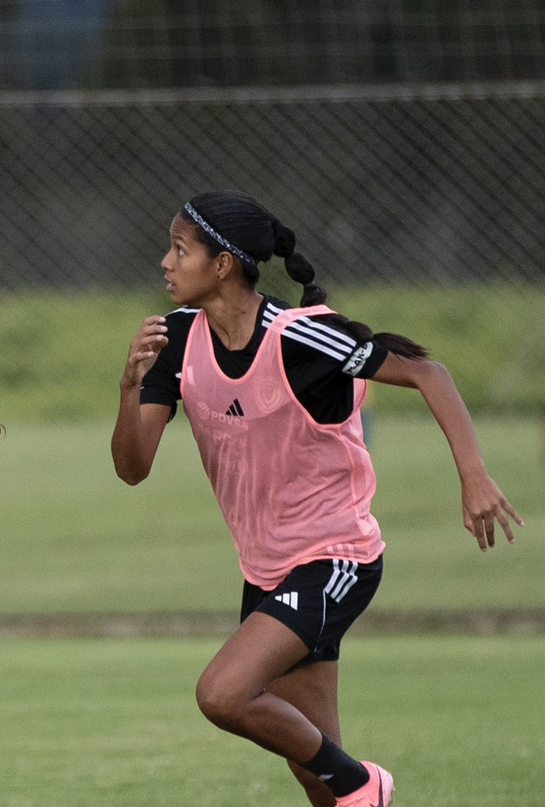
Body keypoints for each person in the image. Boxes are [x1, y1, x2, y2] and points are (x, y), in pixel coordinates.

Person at [110, 190, 523, 807]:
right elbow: (132, 468)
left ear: (223, 264)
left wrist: (475, 476)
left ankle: (366, 782)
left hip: (338, 558)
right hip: (266, 569)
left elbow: (427, 373)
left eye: (179, 249)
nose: (165, 263)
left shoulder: (301, 337)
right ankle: (353, 787)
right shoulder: (174, 340)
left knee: (222, 694)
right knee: (315, 774)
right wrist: (129, 386)